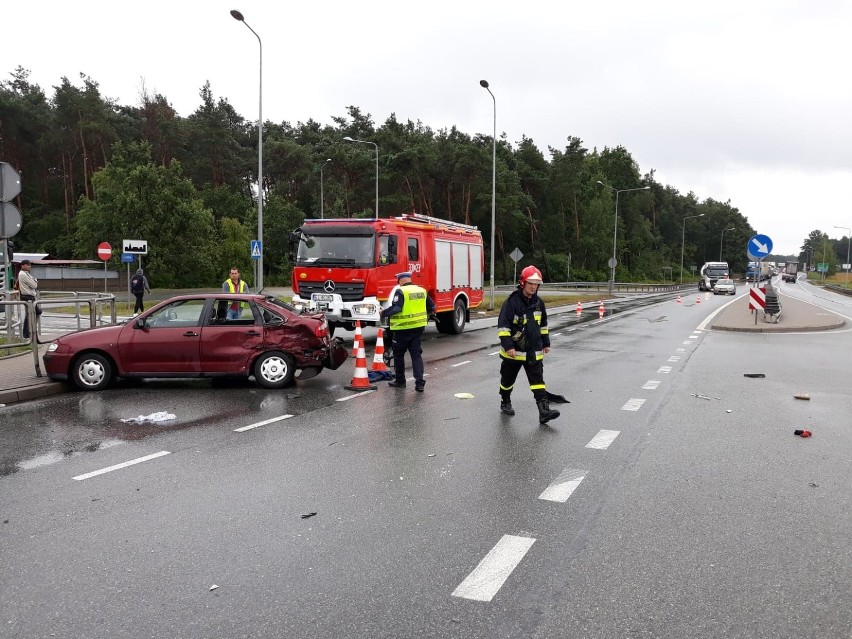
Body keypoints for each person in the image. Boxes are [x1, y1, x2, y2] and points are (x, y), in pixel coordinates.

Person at [496, 265, 560, 425]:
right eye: (530, 283)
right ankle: (505, 400)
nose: (533, 287)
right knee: (507, 380)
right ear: (523, 283)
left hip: (533, 350)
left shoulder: (539, 303)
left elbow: (543, 325)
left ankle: (544, 412)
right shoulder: (511, 303)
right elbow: (504, 327)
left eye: (536, 284)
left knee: (538, 381)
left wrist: (546, 343)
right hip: (514, 352)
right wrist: (509, 346)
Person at [381, 271, 435, 392]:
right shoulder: (421, 290)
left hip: (402, 329)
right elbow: (432, 307)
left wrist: (384, 313)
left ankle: (400, 381)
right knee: (416, 355)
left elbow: (397, 308)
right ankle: (420, 383)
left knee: (398, 355)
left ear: (400, 281)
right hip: (418, 329)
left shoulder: (400, 291)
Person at [16, 259, 40, 340]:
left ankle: (29, 332)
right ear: (22, 266)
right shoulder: (23, 274)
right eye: (27, 265)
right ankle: (27, 333)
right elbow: (34, 285)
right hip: (27, 297)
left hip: (30, 296)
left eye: (29, 265)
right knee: (34, 313)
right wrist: (35, 281)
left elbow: (33, 283)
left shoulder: (26, 274)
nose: (29, 266)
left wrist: (34, 281)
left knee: (30, 314)